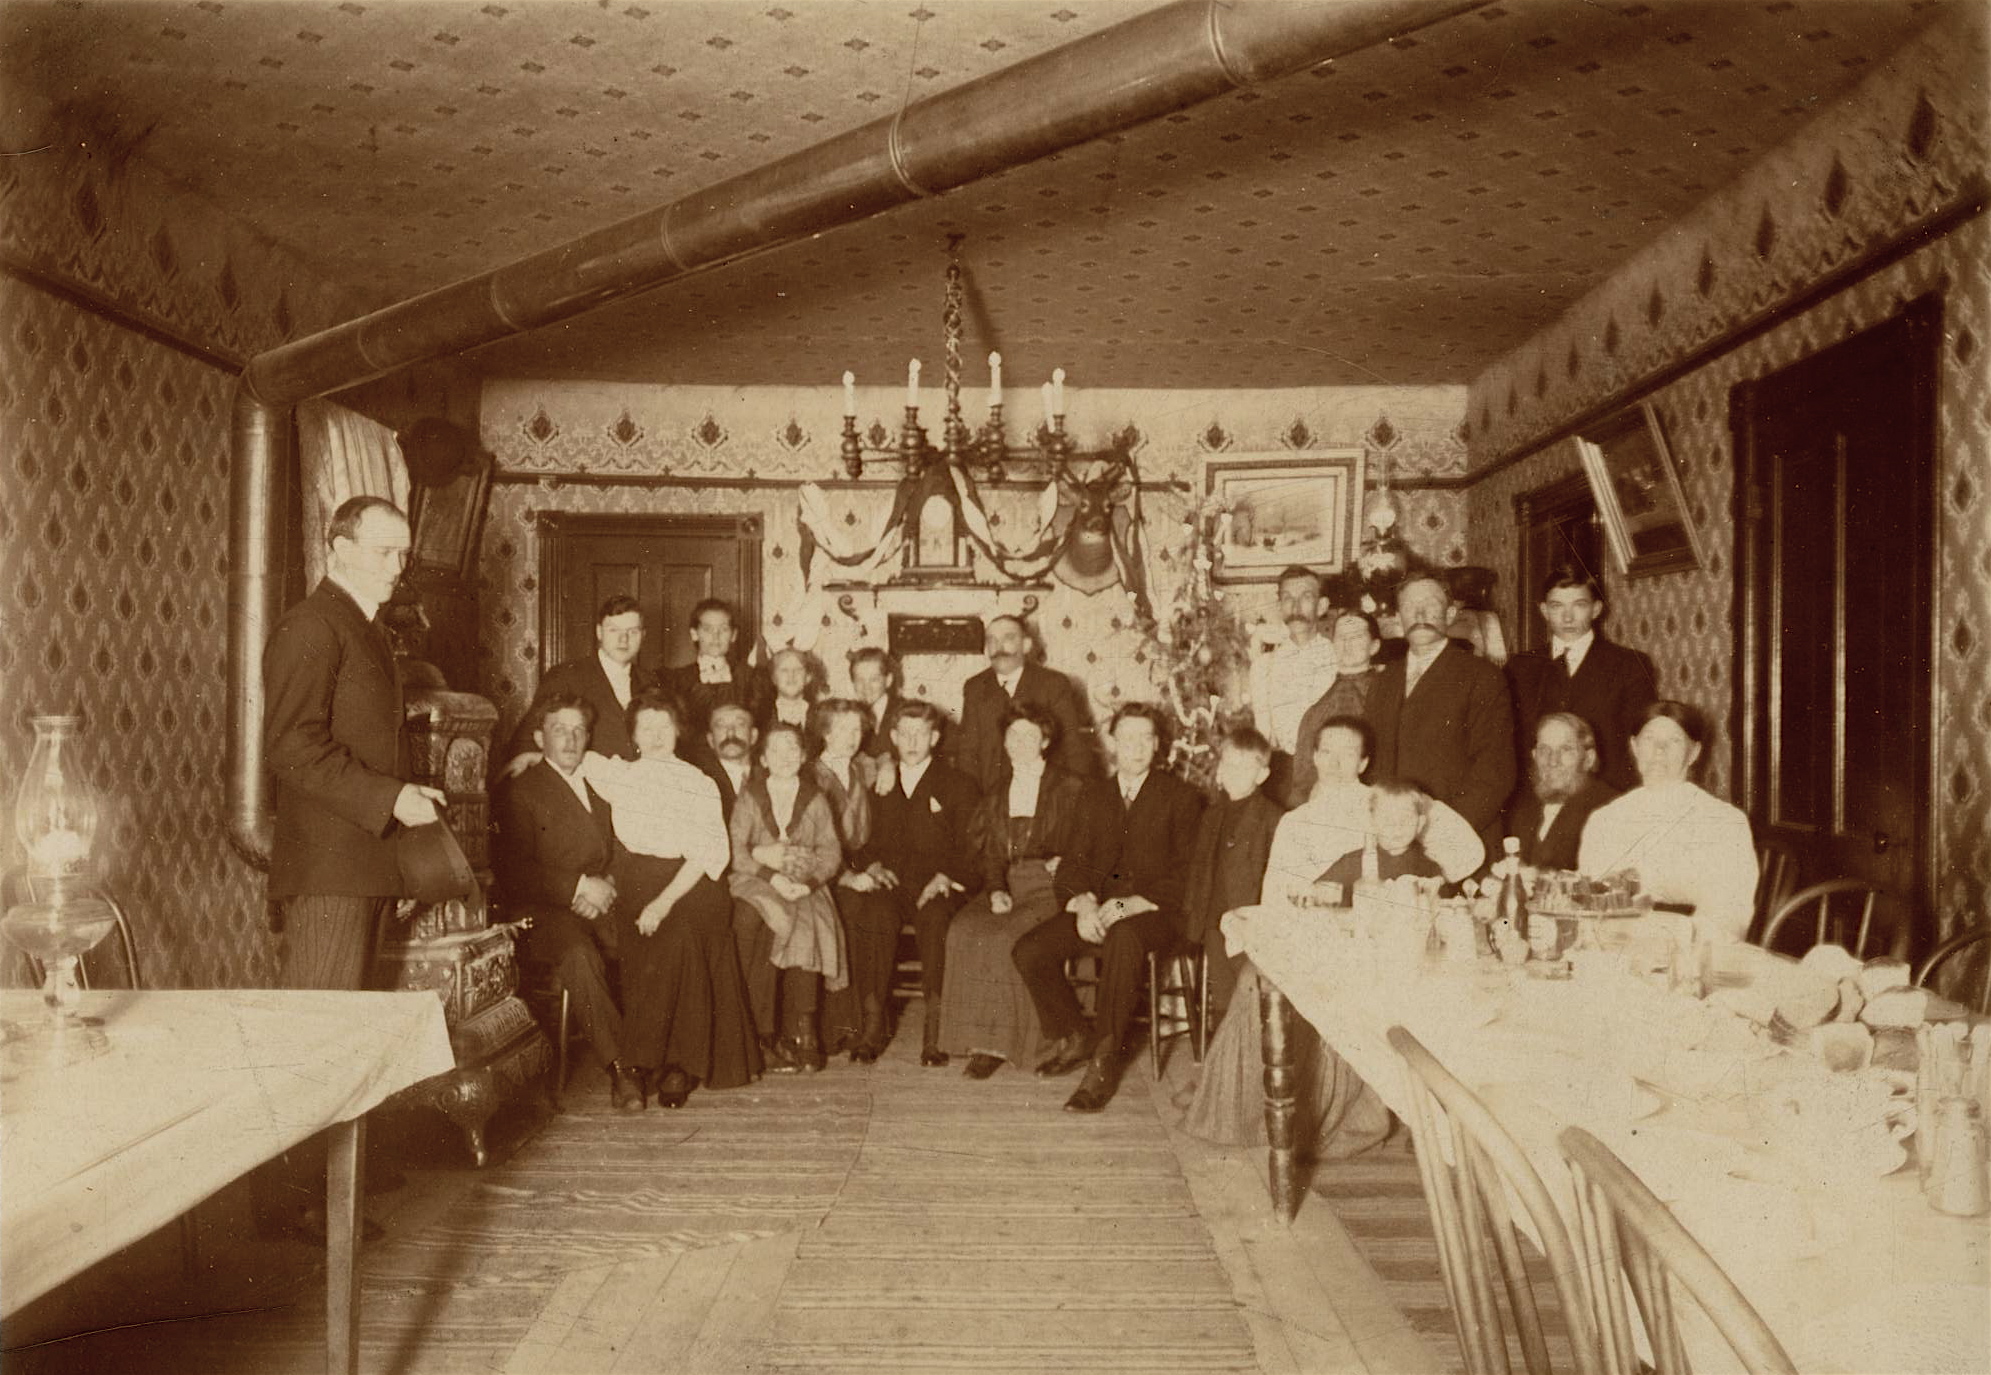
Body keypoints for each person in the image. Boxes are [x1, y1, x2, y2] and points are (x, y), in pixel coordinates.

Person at [259, 494, 444, 1238]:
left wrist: (401, 795)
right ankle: (294, 1198)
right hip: (330, 868)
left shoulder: (361, 628)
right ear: (336, 546)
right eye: (382, 550)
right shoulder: (312, 625)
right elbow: (292, 748)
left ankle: (326, 1186)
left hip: (361, 863)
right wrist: (390, 796)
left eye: (403, 553)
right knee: (315, 1037)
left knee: (339, 1037)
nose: (397, 567)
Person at [547, 691, 763, 1106]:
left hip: (694, 880)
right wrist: (522, 758)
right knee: (656, 940)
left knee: (679, 932)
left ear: (679, 732)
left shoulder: (699, 782)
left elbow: (707, 854)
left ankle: (672, 1064)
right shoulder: (619, 774)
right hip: (637, 879)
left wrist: (663, 903)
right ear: (634, 737)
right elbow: (566, 758)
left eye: (665, 726)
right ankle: (653, 1059)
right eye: (647, 727)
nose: (657, 735)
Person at [1013, 703, 1203, 1113]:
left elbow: (1189, 872)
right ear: (1112, 743)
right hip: (1099, 908)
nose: (1135, 746)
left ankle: (1104, 1060)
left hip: (1157, 912)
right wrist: (1081, 902)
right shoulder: (1095, 793)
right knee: (1029, 951)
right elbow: (1073, 862)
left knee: (1125, 936)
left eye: (1144, 738)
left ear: (1157, 745)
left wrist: (1134, 902)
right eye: (1126, 737)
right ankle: (1075, 1034)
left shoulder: (1182, 797)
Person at [497, 694, 638, 1111]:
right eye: (560, 730)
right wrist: (577, 887)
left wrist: (606, 883)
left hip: (602, 897)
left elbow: (625, 845)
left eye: (579, 731)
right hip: (542, 911)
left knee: (652, 935)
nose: (571, 739)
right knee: (579, 955)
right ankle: (621, 1065)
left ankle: (659, 1050)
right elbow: (512, 870)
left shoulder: (600, 784)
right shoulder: (521, 790)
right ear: (540, 737)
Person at [937, 704, 1086, 1080]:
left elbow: (1090, 845)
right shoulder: (998, 790)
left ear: (1046, 742)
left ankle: (1001, 1045)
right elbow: (989, 853)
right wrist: (996, 889)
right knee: (964, 930)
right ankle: (976, 1040)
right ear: (1003, 741)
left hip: (1051, 888)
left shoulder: (1069, 787)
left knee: (1005, 937)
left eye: (1029, 737)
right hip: (1008, 884)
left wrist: (1065, 862)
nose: (1019, 744)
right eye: (1013, 736)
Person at [861, 701, 982, 1065]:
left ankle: (936, 1029)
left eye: (922, 733)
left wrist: (949, 877)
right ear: (894, 738)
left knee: (935, 919)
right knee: (874, 913)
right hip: (895, 883)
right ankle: (873, 1022)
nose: (913, 741)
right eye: (906, 734)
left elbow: (975, 847)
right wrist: (871, 867)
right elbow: (863, 842)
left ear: (935, 737)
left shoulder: (959, 783)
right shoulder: (881, 783)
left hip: (940, 884)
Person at [1578, 700, 1758, 939]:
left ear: (1693, 752)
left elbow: (1730, 915)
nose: (1659, 750)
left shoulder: (1724, 821)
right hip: (1616, 949)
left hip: (1691, 953)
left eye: (1674, 740)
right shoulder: (1605, 819)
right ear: (1634, 746)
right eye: (1649, 739)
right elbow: (1589, 905)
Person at [728, 722, 847, 1072]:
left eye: (792, 749)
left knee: (810, 923)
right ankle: (762, 1032)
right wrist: (770, 874)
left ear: (804, 755)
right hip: (756, 879)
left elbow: (830, 852)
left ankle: (803, 1029)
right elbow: (735, 848)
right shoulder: (750, 796)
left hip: (804, 881)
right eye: (775, 751)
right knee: (774, 920)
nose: (784, 757)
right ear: (763, 758)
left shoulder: (815, 797)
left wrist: (808, 883)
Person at [1365, 574, 1515, 849]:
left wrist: (1440, 832)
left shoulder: (1482, 676)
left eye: (1430, 604)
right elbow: (1372, 767)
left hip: (1460, 840)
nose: (1420, 613)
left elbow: (1496, 772)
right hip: (1395, 842)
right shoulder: (1382, 682)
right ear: (1398, 618)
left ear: (1450, 614)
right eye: (1410, 605)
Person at [1265, 715, 1484, 902]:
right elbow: (1274, 897)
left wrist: (1433, 880)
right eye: (1327, 752)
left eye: (1348, 754)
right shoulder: (1295, 822)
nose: (1335, 763)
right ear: (1315, 757)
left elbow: (1469, 851)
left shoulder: (1385, 801)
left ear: (1363, 763)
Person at [1505, 567, 1656, 792]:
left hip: (1604, 799)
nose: (1567, 617)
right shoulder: (1520, 666)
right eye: (1557, 606)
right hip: (1535, 797)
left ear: (1596, 609)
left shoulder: (1629, 665)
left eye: (1579, 605)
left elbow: (1639, 746)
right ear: (1544, 610)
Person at [1180, 727, 1283, 1024]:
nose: (1232, 772)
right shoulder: (1212, 814)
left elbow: (1272, 876)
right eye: (1227, 763)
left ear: (1261, 775)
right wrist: (1193, 918)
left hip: (1248, 922)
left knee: (1250, 989)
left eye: (1243, 765)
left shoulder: (1272, 817)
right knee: (1223, 995)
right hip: (1214, 917)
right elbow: (1199, 868)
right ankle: (1226, 1054)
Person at [808, 699, 892, 1058]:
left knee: (884, 913)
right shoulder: (808, 774)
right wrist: (845, 878)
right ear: (825, 732)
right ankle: (843, 1022)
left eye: (857, 729)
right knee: (854, 909)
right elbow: (807, 840)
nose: (850, 737)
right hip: (820, 872)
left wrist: (873, 866)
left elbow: (885, 826)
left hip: (863, 867)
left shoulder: (865, 769)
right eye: (841, 729)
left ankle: (874, 1018)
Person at [950, 614, 1097, 789]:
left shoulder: (1053, 684)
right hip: (991, 797)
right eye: (991, 640)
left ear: (1026, 645)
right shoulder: (975, 687)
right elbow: (967, 753)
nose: (999, 647)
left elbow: (1073, 748)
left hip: (1045, 795)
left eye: (1008, 638)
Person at [507, 594, 653, 763]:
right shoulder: (566, 676)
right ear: (599, 632)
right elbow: (528, 738)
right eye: (614, 630)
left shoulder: (649, 681)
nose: (623, 639)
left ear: (643, 635)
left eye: (632, 631)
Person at [1247, 565, 1340, 800]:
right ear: (1279, 607)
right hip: (1281, 776)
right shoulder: (1264, 666)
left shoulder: (1337, 658)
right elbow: (1263, 734)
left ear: (1322, 606)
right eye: (1287, 598)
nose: (1295, 607)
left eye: (1306, 597)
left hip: (1329, 772)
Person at [1287, 609, 1385, 808]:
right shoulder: (1315, 711)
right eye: (1341, 637)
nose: (1347, 644)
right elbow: (1302, 782)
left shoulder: (1388, 696)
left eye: (1356, 636)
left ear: (1374, 646)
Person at [1506, 712, 1621, 872]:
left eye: (1566, 749)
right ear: (1534, 756)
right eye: (1544, 750)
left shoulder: (1611, 808)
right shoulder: (1523, 810)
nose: (1553, 761)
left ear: (1588, 759)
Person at [661, 597, 764, 738]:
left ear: (733, 635)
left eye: (723, 629)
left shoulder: (750, 678)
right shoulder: (677, 681)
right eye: (708, 629)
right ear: (694, 634)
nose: (716, 636)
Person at [693, 702, 758, 819]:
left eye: (740, 724)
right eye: (721, 726)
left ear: (753, 735)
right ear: (710, 739)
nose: (730, 733)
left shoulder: (772, 775)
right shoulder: (697, 782)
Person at [846, 646, 906, 760]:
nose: (866, 687)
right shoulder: (847, 714)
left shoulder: (905, 711)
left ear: (888, 681)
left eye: (874, 679)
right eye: (859, 680)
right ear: (852, 682)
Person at [762, 646, 825, 733]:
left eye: (798, 670)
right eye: (784, 670)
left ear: (808, 677)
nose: (791, 675)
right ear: (773, 678)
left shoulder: (820, 715)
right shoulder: (762, 715)